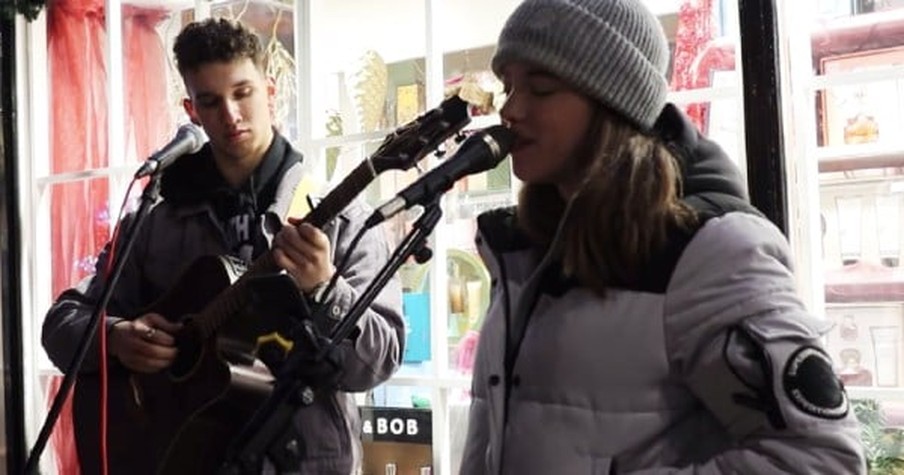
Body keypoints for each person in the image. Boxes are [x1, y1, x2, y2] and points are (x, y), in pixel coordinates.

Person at [460, 0, 866, 473]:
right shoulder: (525, 249)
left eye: (542, 88)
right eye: (508, 87)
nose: (510, 109)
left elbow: (822, 460)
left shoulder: (713, 253)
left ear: (613, 100)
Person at [41, 18, 404, 475]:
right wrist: (114, 338)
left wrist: (325, 291)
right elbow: (62, 323)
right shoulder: (158, 223)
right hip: (182, 459)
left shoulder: (343, 222)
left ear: (270, 92)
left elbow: (378, 362)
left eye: (242, 93)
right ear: (191, 111)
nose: (230, 115)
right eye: (210, 102)